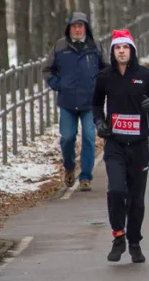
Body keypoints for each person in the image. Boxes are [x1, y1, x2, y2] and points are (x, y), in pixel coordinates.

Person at [93, 29, 149, 263]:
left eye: (125, 47)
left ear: (132, 50)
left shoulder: (145, 75)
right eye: (117, 48)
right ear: (113, 52)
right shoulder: (105, 77)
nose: (121, 51)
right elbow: (95, 104)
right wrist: (99, 122)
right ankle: (118, 237)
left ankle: (134, 241)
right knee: (116, 190)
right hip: (115, 144)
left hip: (139, 145)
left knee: (136, 198)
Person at [42, 12, 106, 191]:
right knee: (68, 138)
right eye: (74, 26)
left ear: (86, 27)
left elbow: (105, 68)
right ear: (69, 28)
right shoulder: (60, 46)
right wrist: (59, 85)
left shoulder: (95, 45)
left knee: (89, 137)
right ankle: (69, 167)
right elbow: (47, 70)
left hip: (89, 101)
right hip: (67, 101)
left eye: (80, 26)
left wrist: (100, 87)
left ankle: (86, 176)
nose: (77, 29)